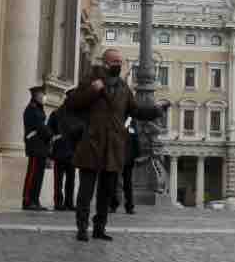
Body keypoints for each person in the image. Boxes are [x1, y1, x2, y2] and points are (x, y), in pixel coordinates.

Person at [65, 47, 166, 243]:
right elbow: (73, 104)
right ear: (105, 63)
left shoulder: (123, 88)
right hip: (92, 143)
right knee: (86, 190)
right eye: (114, 62)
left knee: (106, 191)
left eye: (120, 62)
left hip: (113, 146)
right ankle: (82, 228)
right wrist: (93, 91)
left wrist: (156, 110)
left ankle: (99, 228)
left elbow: (135, 111)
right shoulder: (90, 80)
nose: (118, 65)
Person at [22, 85, 51, 210]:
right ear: (35, 96)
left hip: (41, 147)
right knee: (33, 174)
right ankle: (28, 200)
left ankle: (35, 199)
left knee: (39, 175)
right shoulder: (32, 109)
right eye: (41, 95)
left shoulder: (39, 109)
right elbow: (40, 127)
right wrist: (50, 134)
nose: (43, 97)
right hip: (35, 146)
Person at [50, 101, 79, 211]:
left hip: (70, 152)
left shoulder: (75, 115)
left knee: (70, 180)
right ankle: (59, 203)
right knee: (59, 180)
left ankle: (69, 202)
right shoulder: (56, 114)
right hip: (60, 151)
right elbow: (50, 130)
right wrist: (55, 138)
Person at [118, 116, 140, 215]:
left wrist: (136, 155)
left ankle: (128, 206)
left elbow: (135, 138)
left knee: (125, 183)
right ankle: (127, 206)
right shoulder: (129, 119)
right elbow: (135, 138)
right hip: (120, 156)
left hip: (125, 157)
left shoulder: (129, 119)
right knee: (122, 183)